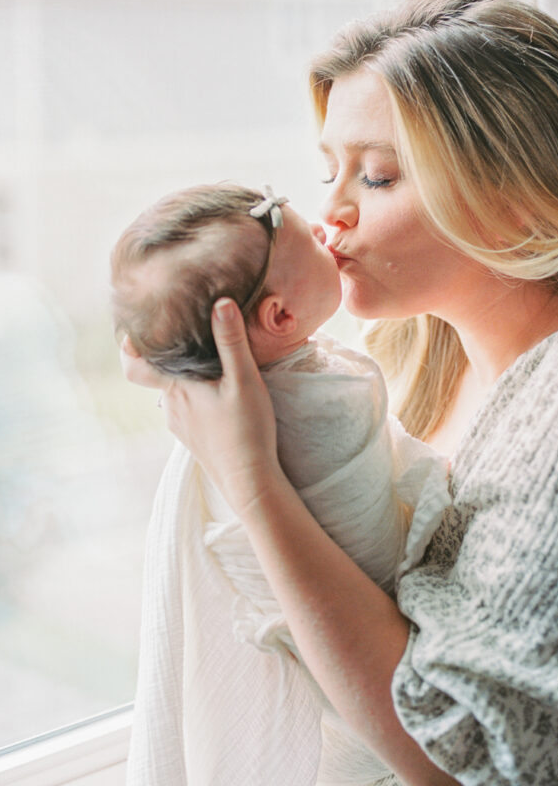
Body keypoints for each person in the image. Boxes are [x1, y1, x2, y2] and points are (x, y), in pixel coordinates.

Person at [121, 0, 558, 786]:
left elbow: (457, 757)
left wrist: (252, 480)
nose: (327, 215)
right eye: (327, 170)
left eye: (375, 177)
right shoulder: (414, 365)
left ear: (514, 194)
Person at [111, 182, 449, 786]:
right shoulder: (316, 408)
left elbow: (149, 359)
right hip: (368, 673)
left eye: (373, 176)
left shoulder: (225, 398)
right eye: (312, 244)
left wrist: (157, 363)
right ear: (281, 317)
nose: (327, 228)